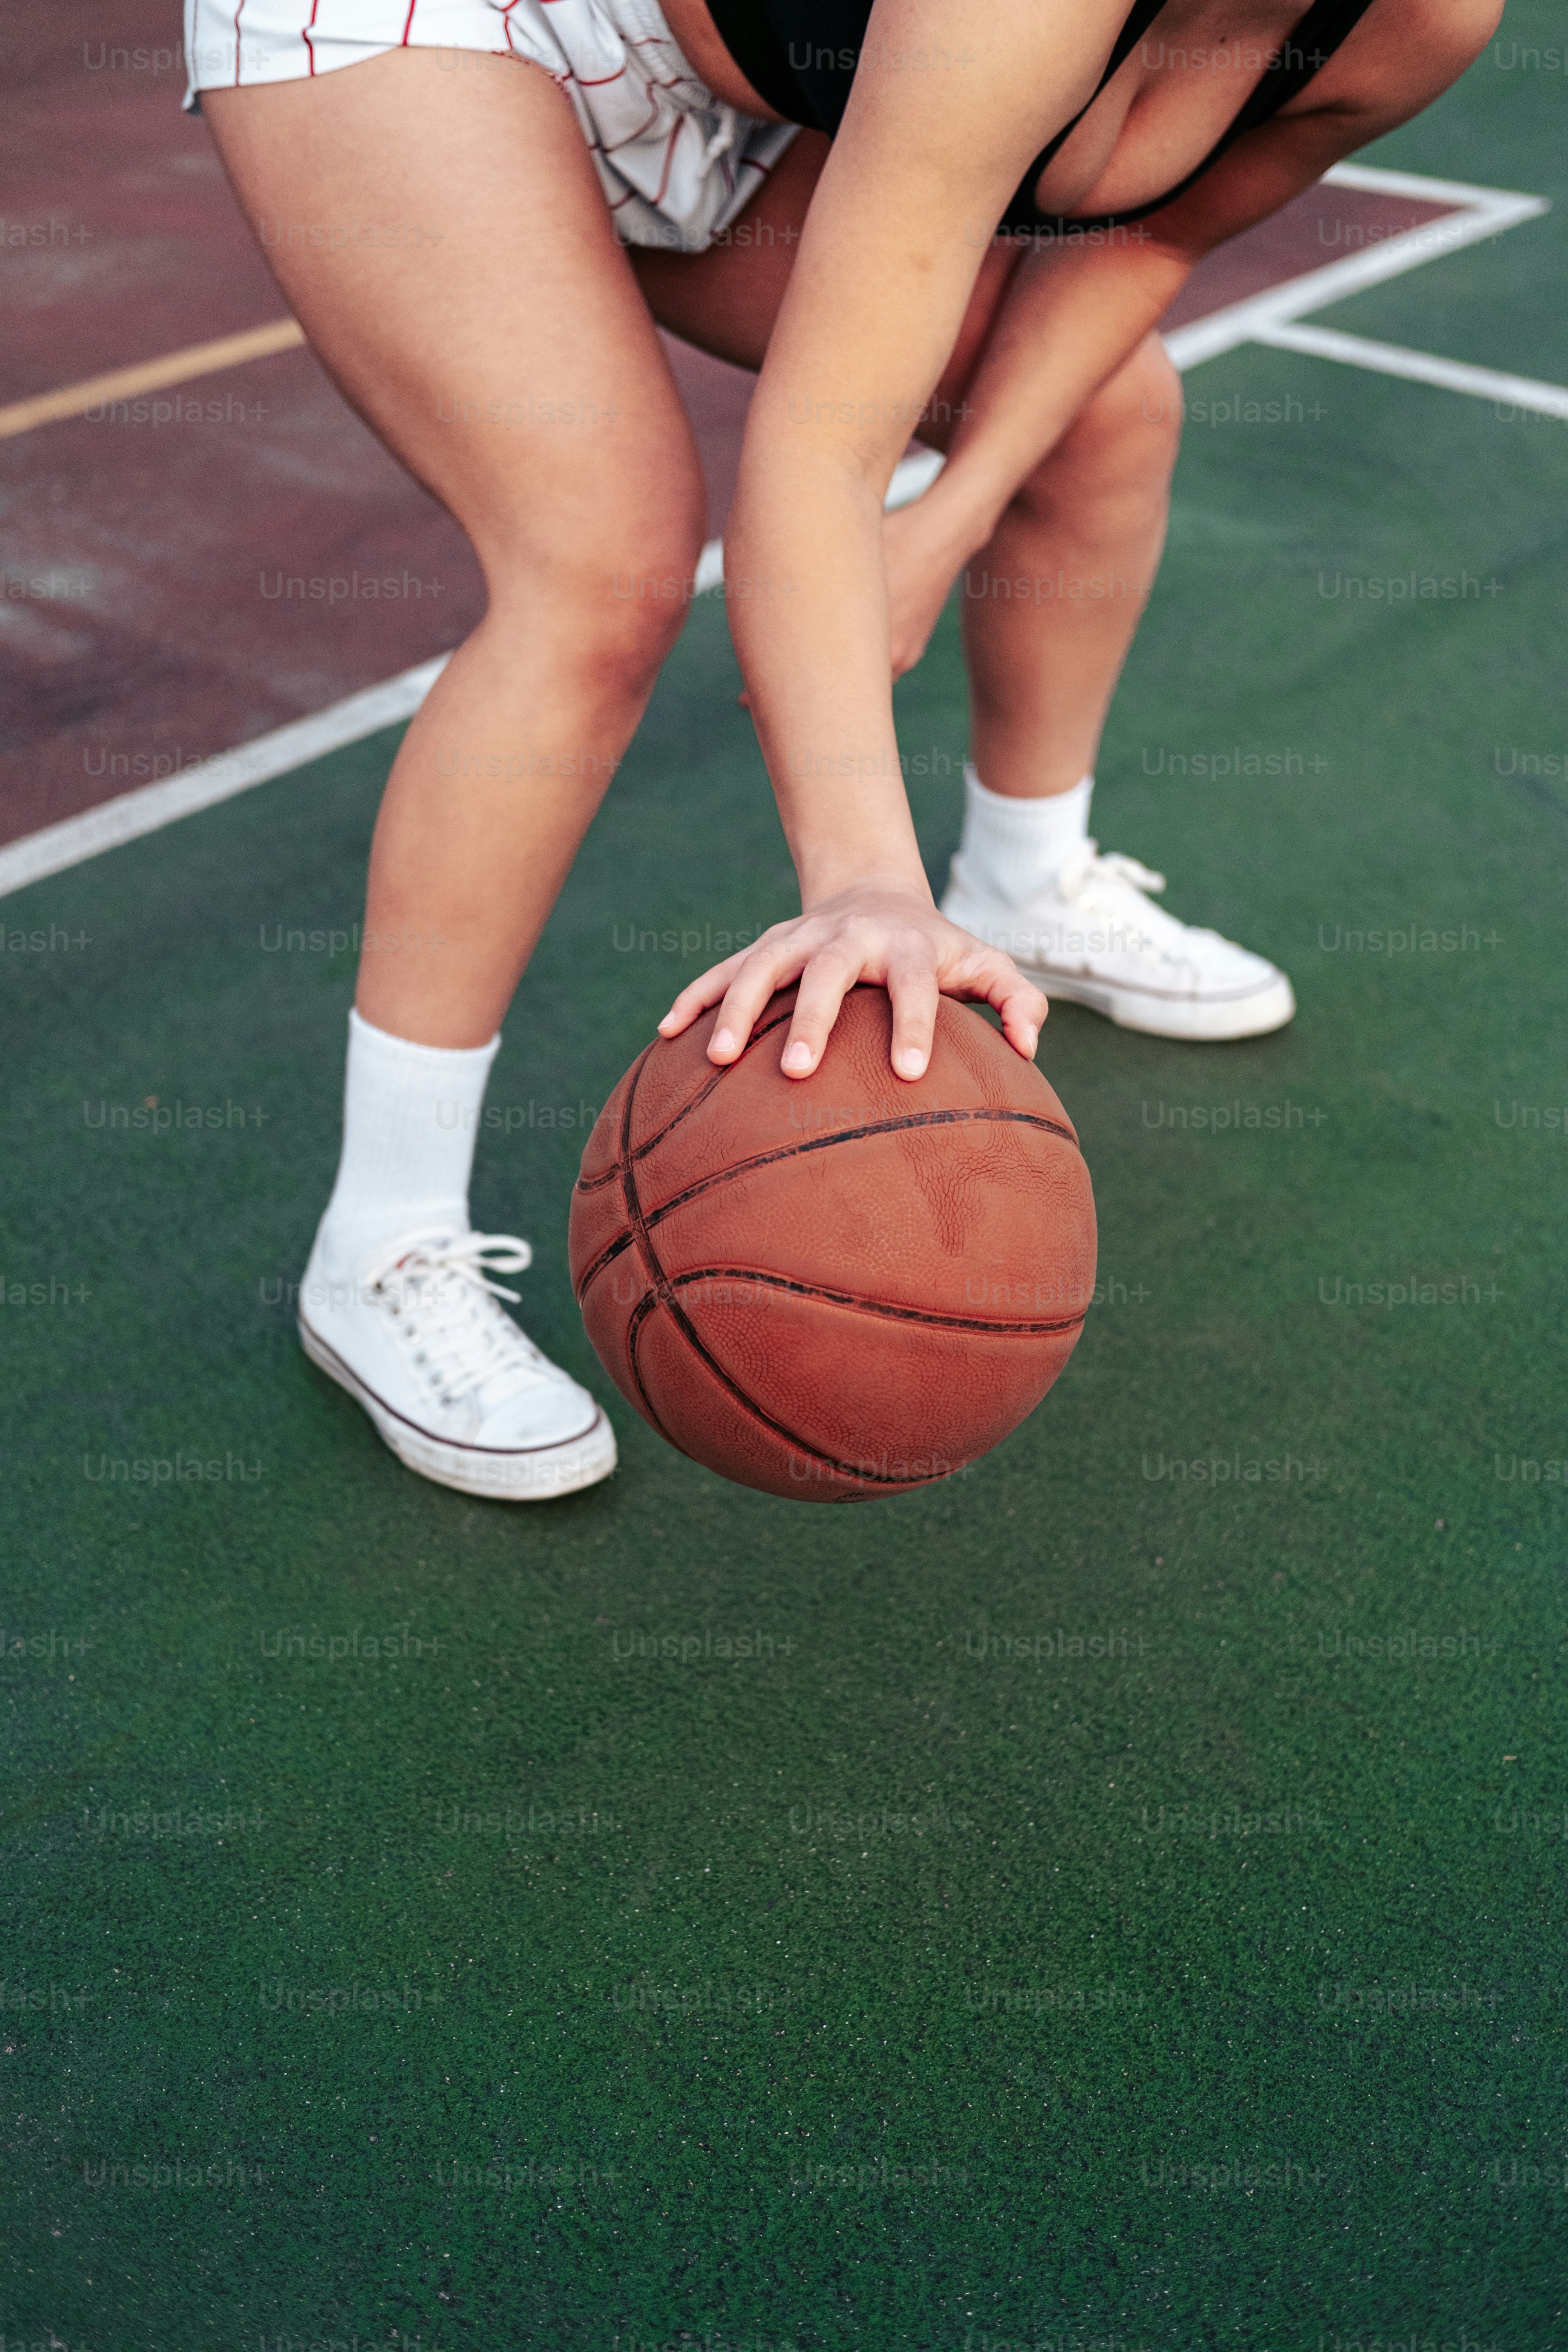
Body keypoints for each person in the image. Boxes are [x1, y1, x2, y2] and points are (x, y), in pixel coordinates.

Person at [188, 0, 1498, 1499]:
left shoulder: (1417, 22)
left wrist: (950, 515)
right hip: (438, 23)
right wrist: (862, 882)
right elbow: (818, 446)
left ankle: (1022, 883)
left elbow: (1145, 243)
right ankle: (385, 1241)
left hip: (725, 106)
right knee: (600, 566)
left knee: (1093, 412)